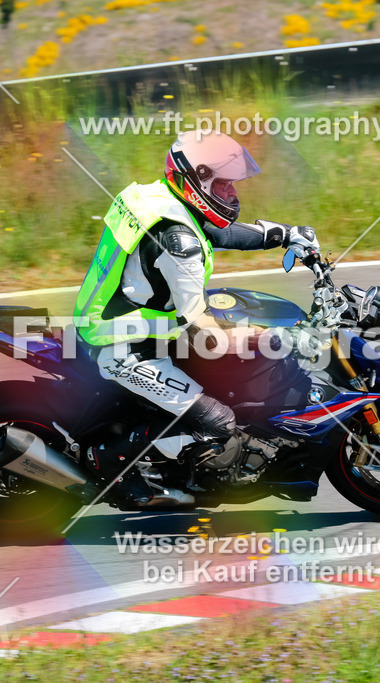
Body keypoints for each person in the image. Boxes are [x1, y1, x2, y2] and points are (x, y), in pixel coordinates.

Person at [73, 130, 320, 507]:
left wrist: (285, 234)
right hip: (126, 347)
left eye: (232, 185)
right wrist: (275, 338)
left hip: (122, 318)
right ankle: (109, 464)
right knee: (220, 421)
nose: (233, 194)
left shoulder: (160, 200)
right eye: (223, 185)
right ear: (196, 183)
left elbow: (219, 232)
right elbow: (203, 329)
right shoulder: (178, 243)